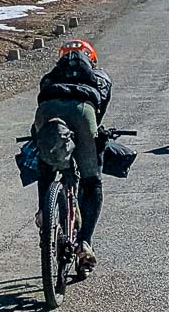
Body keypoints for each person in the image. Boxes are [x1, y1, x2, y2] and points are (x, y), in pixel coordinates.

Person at [32, 39, 112, 273]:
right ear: (91, 59)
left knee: (46, 163)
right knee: (92, 180)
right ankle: (85, 242)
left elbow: (41, 100)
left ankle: (44, 213)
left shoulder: (49, 77)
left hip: (47, 112)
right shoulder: (100, 77)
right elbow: (100, 111)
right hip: (83, 112)